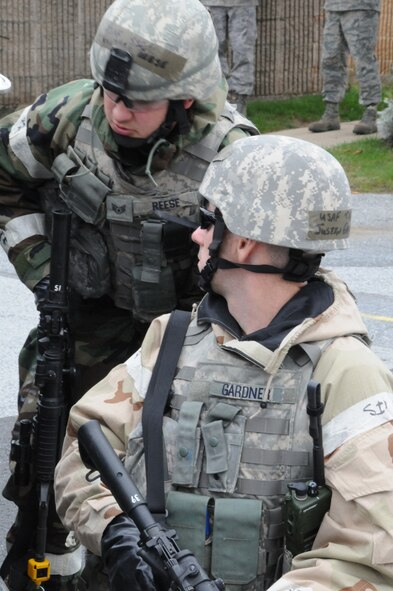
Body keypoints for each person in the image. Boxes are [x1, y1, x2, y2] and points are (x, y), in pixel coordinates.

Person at [55, 134, 393, 591]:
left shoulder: (346, 373)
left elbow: (369, 555)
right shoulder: (171, 339)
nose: (196, 233)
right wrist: (115, 531)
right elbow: (82, 453)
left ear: (246, 241)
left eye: (208, 220)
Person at [0, 0, 258, 588]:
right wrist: (41, 268)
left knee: (166, 471)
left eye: (137, 101)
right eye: (111, 93)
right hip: (82, 319)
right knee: (42, 449)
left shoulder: (230, 156)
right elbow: (5, 175)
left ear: (185, 99)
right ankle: (44, 565)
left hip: (185, 335)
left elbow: (261, 263)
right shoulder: (66, 115)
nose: (117, 111)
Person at [309, 0, 382, 135]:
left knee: (363, 59)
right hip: (333, 6)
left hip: (362, 6)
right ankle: (331, 113)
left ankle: (371, 112)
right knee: (331, 59)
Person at [200, 0, 259, 116]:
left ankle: (239, 98)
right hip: (211, 3)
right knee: (213, 50)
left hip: (243, 4)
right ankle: (220, 96)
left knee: (243, 51)